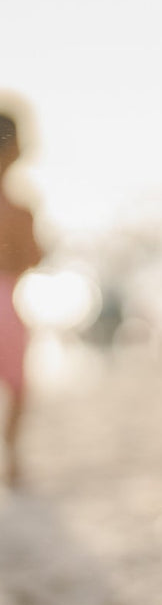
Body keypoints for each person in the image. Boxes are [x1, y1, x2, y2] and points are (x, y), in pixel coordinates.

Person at [0, 110, 42, 489]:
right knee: (16, 387)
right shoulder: (18, 209)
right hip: (5, 308)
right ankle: (11, 458)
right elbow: (32, 257)